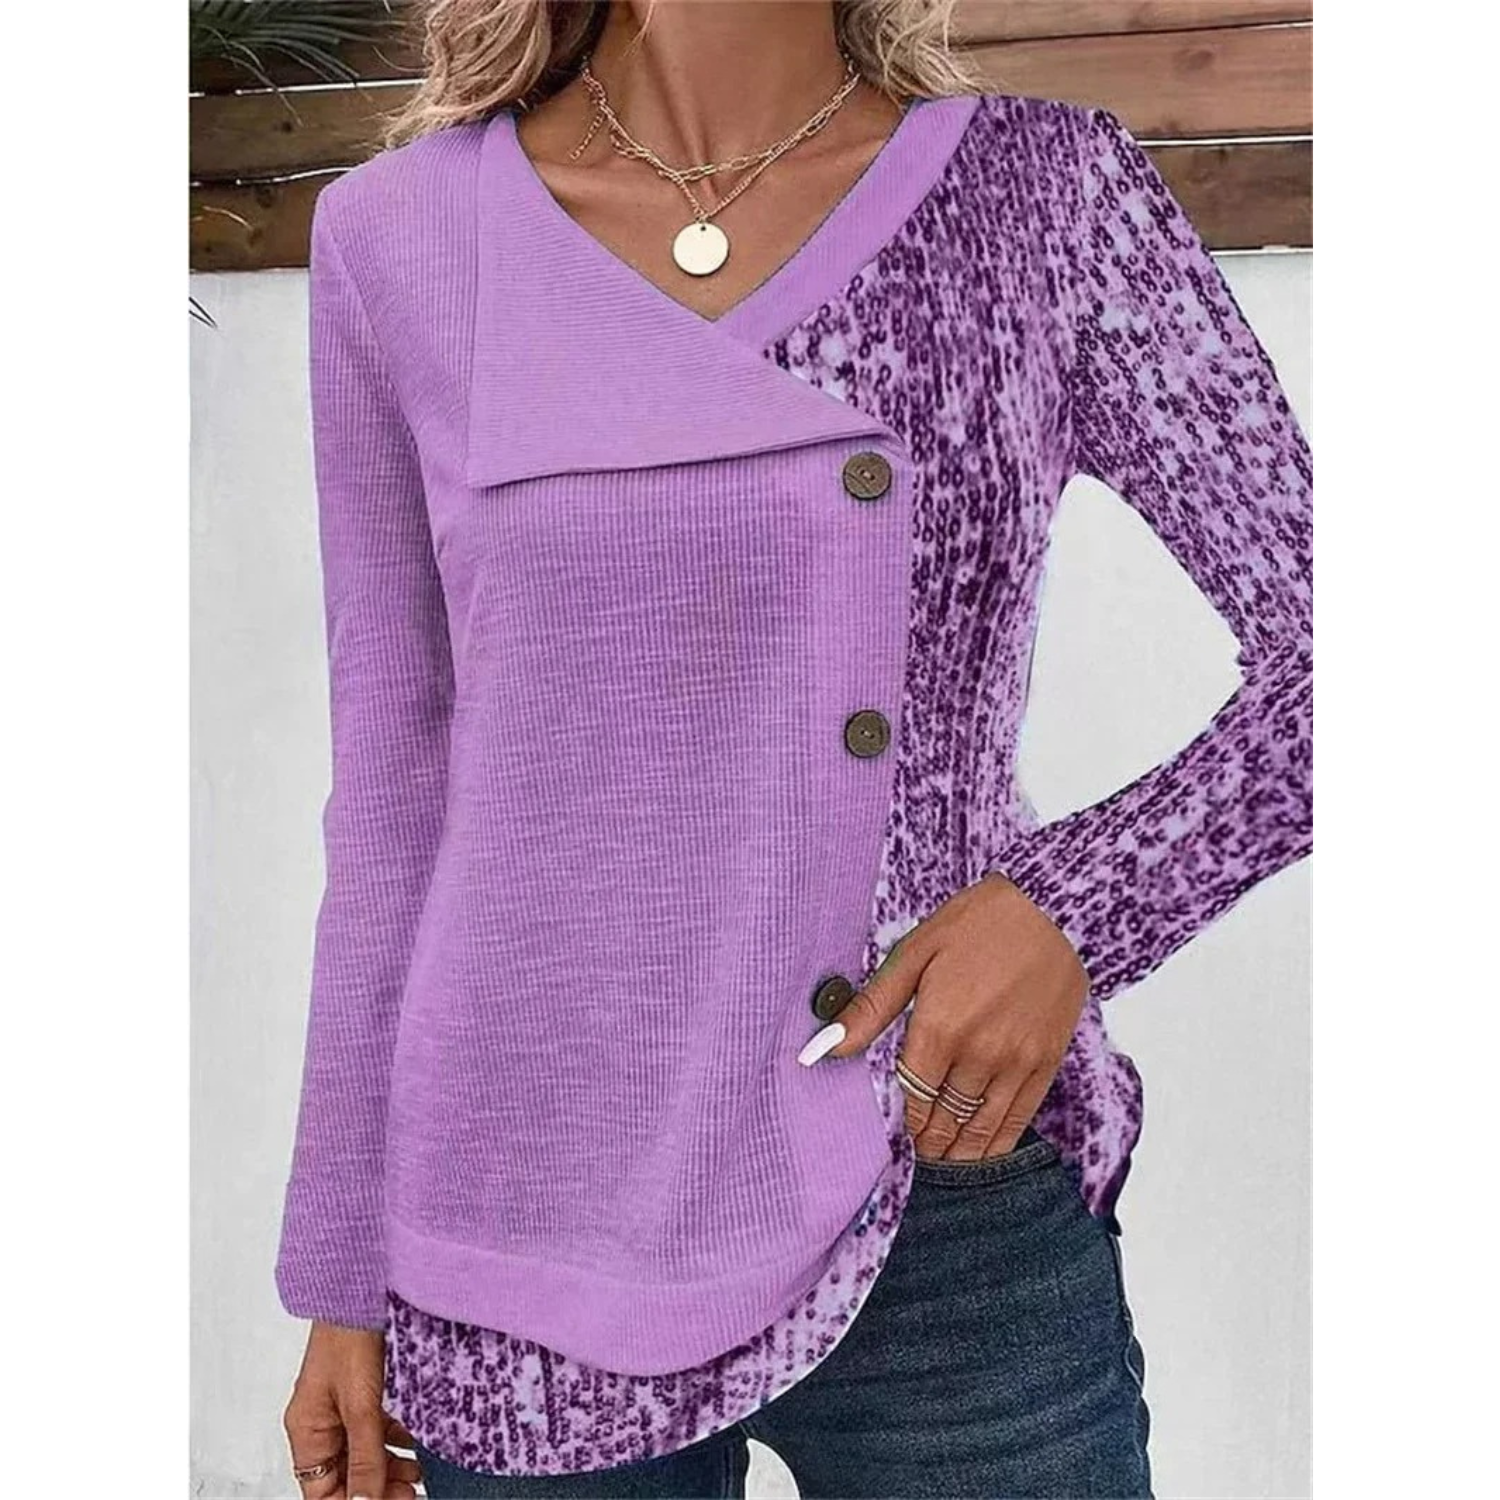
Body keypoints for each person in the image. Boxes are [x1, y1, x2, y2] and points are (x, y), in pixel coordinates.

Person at [274, 2, 1312, 1496]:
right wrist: (341, 1276)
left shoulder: (1039, 200)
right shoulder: (398, 236)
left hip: (935, 1183)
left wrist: (1071, 910)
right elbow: (392, 798)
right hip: (515, 1227)